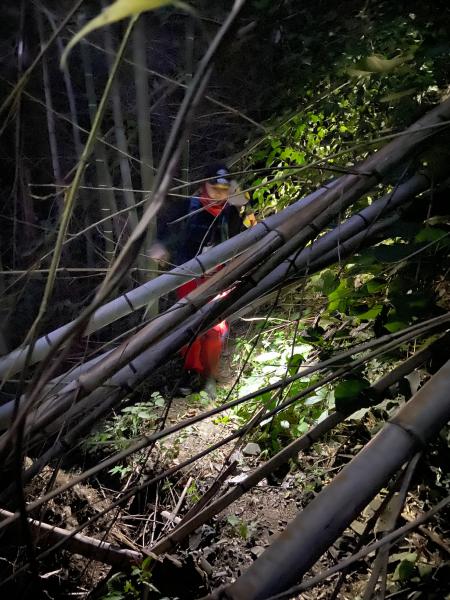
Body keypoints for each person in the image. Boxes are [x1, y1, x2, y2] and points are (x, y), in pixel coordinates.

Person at [167, 164, 251, 399]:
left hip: (220, 275)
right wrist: (162, 247)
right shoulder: (189, 207)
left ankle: (209, 376)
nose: (218, 195)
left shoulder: (232, 211)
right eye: (214, 189)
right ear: (204, 185)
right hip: (189, 274)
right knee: (189, 325)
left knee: (215, 326)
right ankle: (189, 371)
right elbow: (169, 232)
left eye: (224, 190)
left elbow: (248, 231)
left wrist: (242, 204)